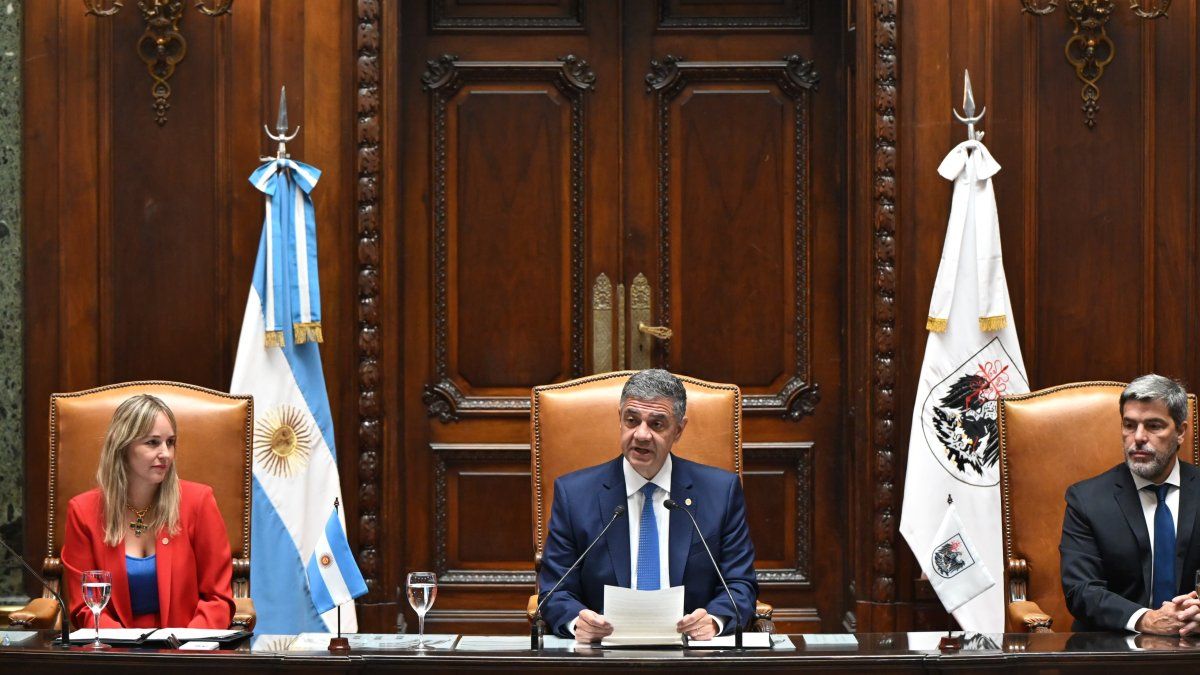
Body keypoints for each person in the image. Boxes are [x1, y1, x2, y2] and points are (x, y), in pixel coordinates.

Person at [537, 369, 757, 642]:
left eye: (657, 424)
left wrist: (713, 620)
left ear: (679, 430)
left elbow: (740, 584)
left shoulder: (720, 492)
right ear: (619, 419)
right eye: (632, 420)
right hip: (602, 651)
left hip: (692, 650)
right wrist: (578, 622)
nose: (641, 435)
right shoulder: (574, 495)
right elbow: (555, 590)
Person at [61, 394, 235, 629]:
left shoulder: (198, 502)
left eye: (170, 442)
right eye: (152, 443)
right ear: (122, 447)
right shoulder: (83, 512)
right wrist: (123, 646)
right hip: (114, 649)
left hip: (186, 646)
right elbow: (85, 608)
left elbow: (218, 599)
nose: (166, 453)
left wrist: (186, 644)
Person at [1060, 374, 1200, 634]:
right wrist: (1145, 619)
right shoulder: (1086, 499)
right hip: (1113, 645)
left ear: (1180, 432)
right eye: (1129, 425)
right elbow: (1081, 590)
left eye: (1154, 426)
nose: (1138, 437)